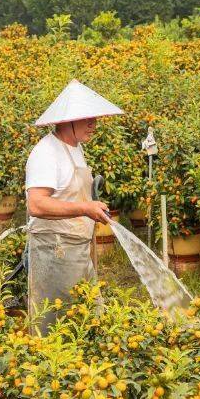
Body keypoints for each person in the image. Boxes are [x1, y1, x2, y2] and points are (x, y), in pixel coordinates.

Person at [25, 79, 123, 334]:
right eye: (87, 119)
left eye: (95, 118)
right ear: (67, 121)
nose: (94, 124)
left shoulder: (75, 148)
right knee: (55, 324)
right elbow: (36, 204)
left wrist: (89, 208)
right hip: (54, 251)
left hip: (76, 248)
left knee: (88, 317)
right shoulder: (47, 153)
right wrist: (84, 208)